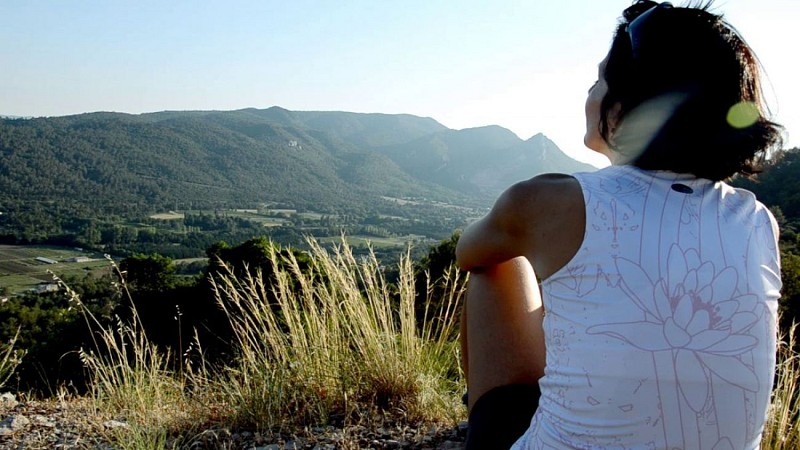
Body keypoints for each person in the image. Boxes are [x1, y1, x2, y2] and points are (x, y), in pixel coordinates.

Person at [455, 1, 784, 449]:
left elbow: (468, 251)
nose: (590, 92)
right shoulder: (756, 221)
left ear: (626, 103)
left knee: (497, 268)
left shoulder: (549, 200)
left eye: (599, 79)